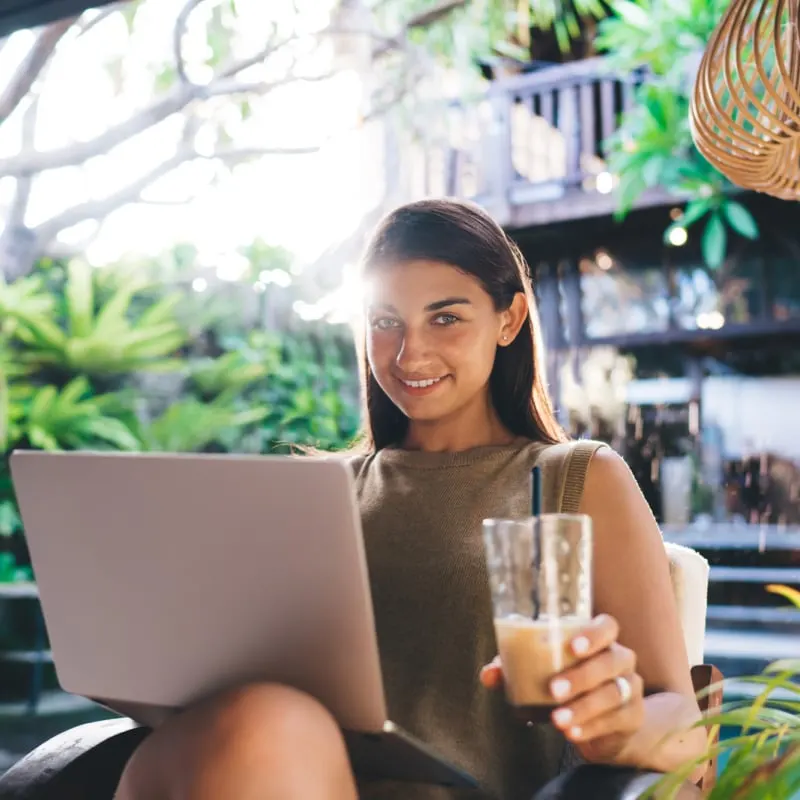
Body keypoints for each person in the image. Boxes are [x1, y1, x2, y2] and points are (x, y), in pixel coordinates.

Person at [115, 198, 708, 800]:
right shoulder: (318, 491)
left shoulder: (574, 477)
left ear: (509, 320)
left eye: (445, 318)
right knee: (239, 728)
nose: (408, 354)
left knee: (262, 729)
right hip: (275, 775)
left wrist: (618, 721)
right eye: (385, 320)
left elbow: (685, 724)